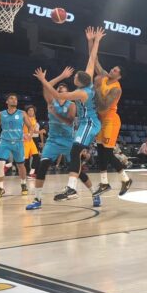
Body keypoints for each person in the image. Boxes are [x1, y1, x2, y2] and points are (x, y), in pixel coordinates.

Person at [33, 27, 105, 202]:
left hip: (82, 128)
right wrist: (94, 41)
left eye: (74, 78)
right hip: (56, 138)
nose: (73, 79)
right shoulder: (86, 81)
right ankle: (38, 199)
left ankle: (80, 190)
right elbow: (92, 59)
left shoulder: (78, 95)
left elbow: (59, 97)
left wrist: (43, 80)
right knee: (49, 163)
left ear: (79, 82)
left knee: (76, 157)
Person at [26, 68, 95, 209]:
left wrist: (55, 114)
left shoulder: (72, 105)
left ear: (67, 94)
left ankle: (95, 193)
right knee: (42, 166)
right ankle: (37, 199)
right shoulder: (51, 101)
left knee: (78, 172)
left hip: (69, 141)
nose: (60, 91)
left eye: (63, 90)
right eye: (58, 89)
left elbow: (69, 121)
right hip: (52, 140)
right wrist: (61, 76)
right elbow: (47, 86)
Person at [88, 28, 132, 197]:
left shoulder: (116, 89)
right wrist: (92, 41)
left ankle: (124, 179)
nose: (111, 70)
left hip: (110, 120)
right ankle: (106, 183)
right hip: (101, 119)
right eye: (112, 69)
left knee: (107, 153)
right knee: (100, 151)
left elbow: (104, 107)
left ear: (119, 76)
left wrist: (97, 87)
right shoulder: (104, 76)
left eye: (115, 71)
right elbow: (94, 60)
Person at [0, 93, 34, 198]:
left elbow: (30, 127)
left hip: (18, 142)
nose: (14, 100)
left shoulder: (22, 113)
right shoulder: (1, 114)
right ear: (7, 101)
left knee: (20, 165)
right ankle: (0, 188)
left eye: (16, 99)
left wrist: (29, 135)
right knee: (0, 164)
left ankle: (23, 184)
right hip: (4, 142)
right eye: (11, 98)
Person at [23, 105, 44, 178]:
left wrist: (40, 131)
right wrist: (23, 135)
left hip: (30, 140)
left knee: (36, 156)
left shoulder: (34, 120)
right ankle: (26, 172)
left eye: (32, 110)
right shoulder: (24, 119)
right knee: (25, 158)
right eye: (29, 110)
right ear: (27, 112)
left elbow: (33, 130)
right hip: (24, 140)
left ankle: (31, 172)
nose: (31, 111)